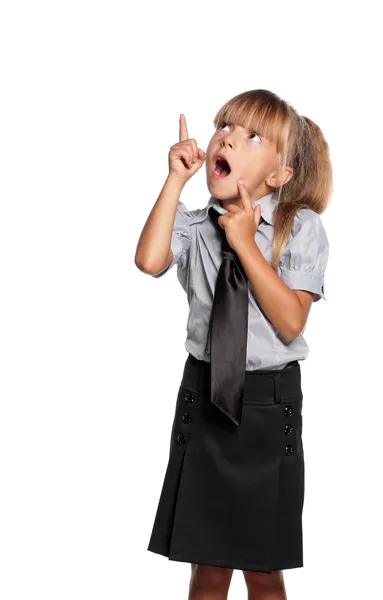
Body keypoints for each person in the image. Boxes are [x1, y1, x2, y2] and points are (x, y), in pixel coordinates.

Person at [135, 89, 332, 600]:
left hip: (269, 406)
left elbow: (291, 321)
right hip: (204, 399)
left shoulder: (300, 228)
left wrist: (245, 242)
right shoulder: (195, 225)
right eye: (224, 125)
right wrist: (175, 181)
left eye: (251, 135)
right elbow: (149, 260)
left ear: (278, 175)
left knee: (264, 571)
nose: (227, 137)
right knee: (207, 568)